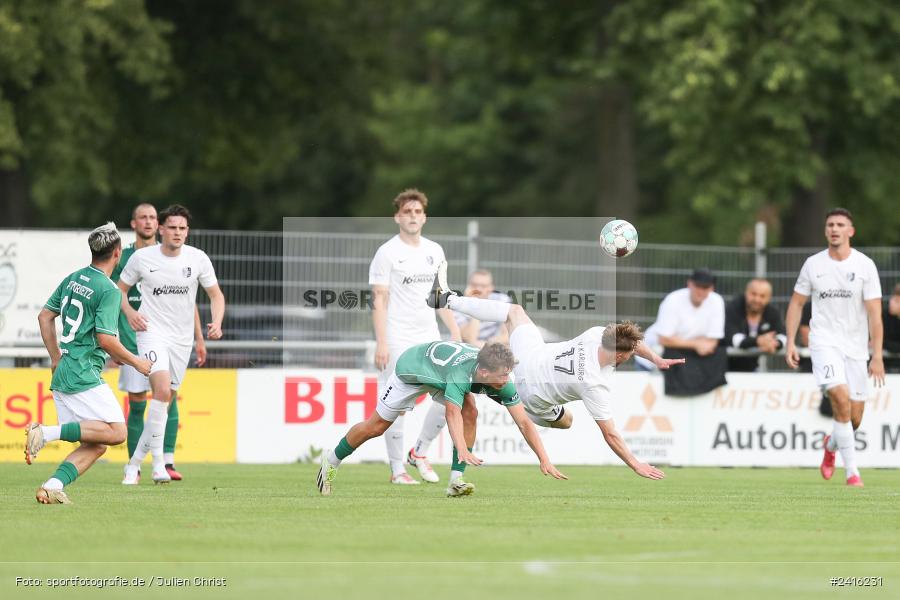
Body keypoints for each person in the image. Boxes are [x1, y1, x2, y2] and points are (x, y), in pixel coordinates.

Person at [429, 268, 683, 480]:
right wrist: (635, 463)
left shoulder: (598, 334)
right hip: (534, 397)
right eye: (627, 355)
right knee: (568, 420)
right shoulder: (595, 384)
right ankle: (446, 299)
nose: (630, 355)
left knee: (514, 311)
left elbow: (630, 341)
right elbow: (611, 434)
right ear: (619, 355)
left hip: (531, 356)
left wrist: (656, 358)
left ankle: (447, 299)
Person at [317, 342, 567, 497]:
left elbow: (523, 421)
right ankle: (331, 461)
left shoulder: (498, 379)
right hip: (414, 369)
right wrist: (461, 448)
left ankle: (456, 481)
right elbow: (451, 414)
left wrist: (544, 460)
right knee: (377, 426)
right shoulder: (461, 375)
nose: (507, 380)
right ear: (484, 372)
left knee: (471, 409)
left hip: (440, 373)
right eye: (502, 375)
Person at [25, 223, 152, 504]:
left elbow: (45, 316)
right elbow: (106, 338)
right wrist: (135, 362)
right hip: (82, 373)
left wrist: (55, 357)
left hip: (66, 369)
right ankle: (45, 433)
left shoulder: (74, 278)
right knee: (117, 432)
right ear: (118, 253)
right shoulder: (108, 290)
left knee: (96, 446)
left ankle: (52, 486)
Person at [117, 205, 225, 484]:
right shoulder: (142, 258)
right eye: (173, 227)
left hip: (181, 340)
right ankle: (157, 465)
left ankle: (133, 464)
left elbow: (215, 295)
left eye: (183, 228)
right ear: (161, 229)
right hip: (151, 333)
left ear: (187, 231)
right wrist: (130, 314)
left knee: (164, 400)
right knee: (161, 391)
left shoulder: (198, 259)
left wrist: (217, 322)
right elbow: (119, 291)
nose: (177, 233)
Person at [785, 208, 884, 488]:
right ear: (825, 230)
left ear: (851, 231)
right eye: (830, 224)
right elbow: (796, 304)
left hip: (856, 347)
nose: (834, 229)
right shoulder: (813, 265)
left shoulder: (865, 266)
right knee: (839, 396)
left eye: (840, 225)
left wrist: (876, 355)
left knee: (853, 419)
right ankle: (852, 473)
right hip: (824, 342)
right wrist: (791, 341)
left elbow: (875, 314)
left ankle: (831, 445)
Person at [369, 189, 462, 485]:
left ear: (425, 217)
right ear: (397, 217)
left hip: (429, 337)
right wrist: (382, 342)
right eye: (407, 212)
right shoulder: (387, 252)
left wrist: (456, 332)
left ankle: (419, 452)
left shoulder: (435, 250)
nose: (412, 216)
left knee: (451, 394)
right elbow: (379, 300)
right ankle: (398, 470)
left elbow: (441, 297)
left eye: (417, 212)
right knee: (395, 405)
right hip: (397, 337)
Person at [651, 268, 727, 395]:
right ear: (690, 284)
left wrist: (676, 341)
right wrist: (697, 344)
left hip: (685, 359)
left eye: (706, 287)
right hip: (651, 359)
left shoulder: (717, 301)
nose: (701, 291)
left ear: (712, 288)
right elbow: (663, 339)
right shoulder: (673, 300)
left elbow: (712, 341)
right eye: (698, 286)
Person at [724, 278, 787, 372]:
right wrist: (758, 341)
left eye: (762, 296)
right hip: (725, 367)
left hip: (752, 368)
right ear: (746, 293)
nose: (757, 299)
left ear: (769, 298)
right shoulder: (732, 308)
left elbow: (783, 336)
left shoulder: (772, 312)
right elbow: (734, 339)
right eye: (753, 294)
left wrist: (775, 343)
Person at [454, 269, 511, 348]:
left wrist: (488, 343)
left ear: (491, 288)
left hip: (493, 348)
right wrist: (474, 304)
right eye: (474, 285)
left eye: (483, 286)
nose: (479, 289)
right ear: (469, 286)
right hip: (471, 349)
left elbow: (508, 335)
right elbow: (470, 339)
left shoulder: (502, 301)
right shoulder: (459, 306)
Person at [883, 283, 900, 373]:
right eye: (892, 298)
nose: (891, 302)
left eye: (897, 300)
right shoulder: (883, 316)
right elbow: (881, 341)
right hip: (885, 364)